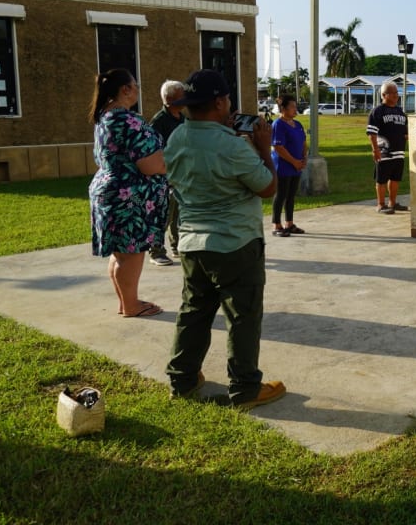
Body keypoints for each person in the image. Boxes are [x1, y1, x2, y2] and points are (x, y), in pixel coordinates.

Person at [163, 69, 285, 409]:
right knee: (243, 317)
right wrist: (263, 148)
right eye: (228, 99)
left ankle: (182, 379)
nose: (231, 104)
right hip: (235, 243)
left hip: (191, 243)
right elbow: (267, 187)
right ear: (219, 102)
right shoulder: (233, 147)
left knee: (194, 311)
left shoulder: (176, 139)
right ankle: (245, 388)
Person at [88, 68, 168, 318]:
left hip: (110, 189)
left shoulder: (105, 116)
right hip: (128, 196)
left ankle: (126, 302)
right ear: (126, 89)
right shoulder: (127, 119)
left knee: (120, 253)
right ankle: (132, 305)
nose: (137, 90)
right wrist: (168, 163)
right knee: (131, 252)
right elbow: (151, 164)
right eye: (136, 85)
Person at [147, 80, 187, 266]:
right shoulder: (159, 121)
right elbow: (153, 151)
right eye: (182, 95)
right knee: (163, 214)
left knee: (178, 212)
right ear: (170, 99)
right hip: (163, 175)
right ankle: (155, 250)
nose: (186, 99)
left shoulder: (182, 119)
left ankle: (176, 245)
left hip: (180, 173)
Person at [367, 80, 409, 214]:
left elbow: (405, 130)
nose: (396, 96)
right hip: (384, 151)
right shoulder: (377, 111)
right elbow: (372, 133)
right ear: (384, 95)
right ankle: (380, 204)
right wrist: (375, 149)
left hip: (399, 151)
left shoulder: (400, 111)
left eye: (397, 93)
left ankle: (392, 202)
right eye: (392, 93)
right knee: (382, 178)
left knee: (396, 178)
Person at [270, 93, 307, 237]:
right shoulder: (278, 125)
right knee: (281, 195)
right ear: (283, 108)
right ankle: (276, 225)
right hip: (283, 166)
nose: (295, 109)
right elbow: (278, 147)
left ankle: (289, 223)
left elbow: (303, 142)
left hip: (297, 166)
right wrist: (294, 161)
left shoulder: (297, 124)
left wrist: (303, 158)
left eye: (295, 106)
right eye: (292, 107)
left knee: (291, 195)